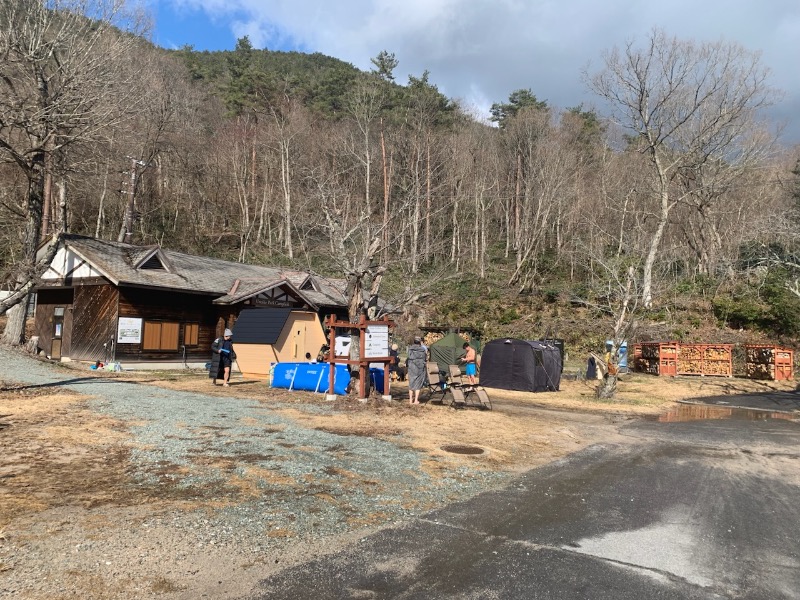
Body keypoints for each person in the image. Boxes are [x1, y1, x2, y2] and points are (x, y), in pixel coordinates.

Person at [406, 336, 427, 405]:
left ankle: (410, 401)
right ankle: (416, 400)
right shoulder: (423, 350)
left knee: (411, 383)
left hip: (411, 367)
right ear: (420, 342)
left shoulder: (410, 349)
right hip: (420, 368)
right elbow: (425, 359)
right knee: (418, 384)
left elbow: (408, 358)